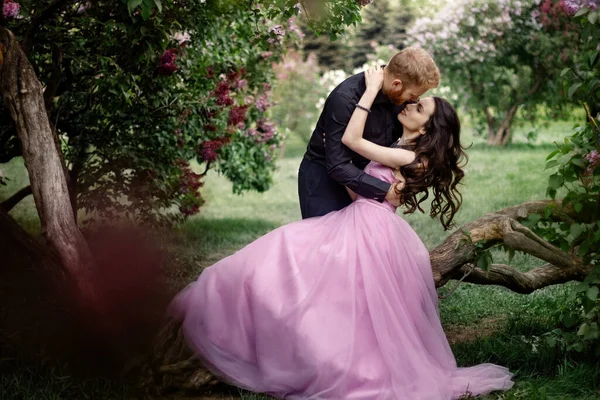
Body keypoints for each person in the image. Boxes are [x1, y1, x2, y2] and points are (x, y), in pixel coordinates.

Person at [168, 67, 514, 399]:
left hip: (368, 223)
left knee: (300, 264)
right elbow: (357, 182)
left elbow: (351, 140)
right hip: (366, 216)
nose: (411, 104)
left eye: (420, 106)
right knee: (337, 288)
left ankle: (331, 358)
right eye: (415, 98)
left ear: (425, 128)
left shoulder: (406, 156)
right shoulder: (403, 148)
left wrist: (370, 92)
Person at [298, 46, 440, 219]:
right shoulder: (345, 98)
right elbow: (337, 164)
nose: (412, 102)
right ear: (396, 84)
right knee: (325, 242)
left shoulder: (401, 101)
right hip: (325, 178)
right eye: (412, 96)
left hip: (365, 180)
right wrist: (385, 190)